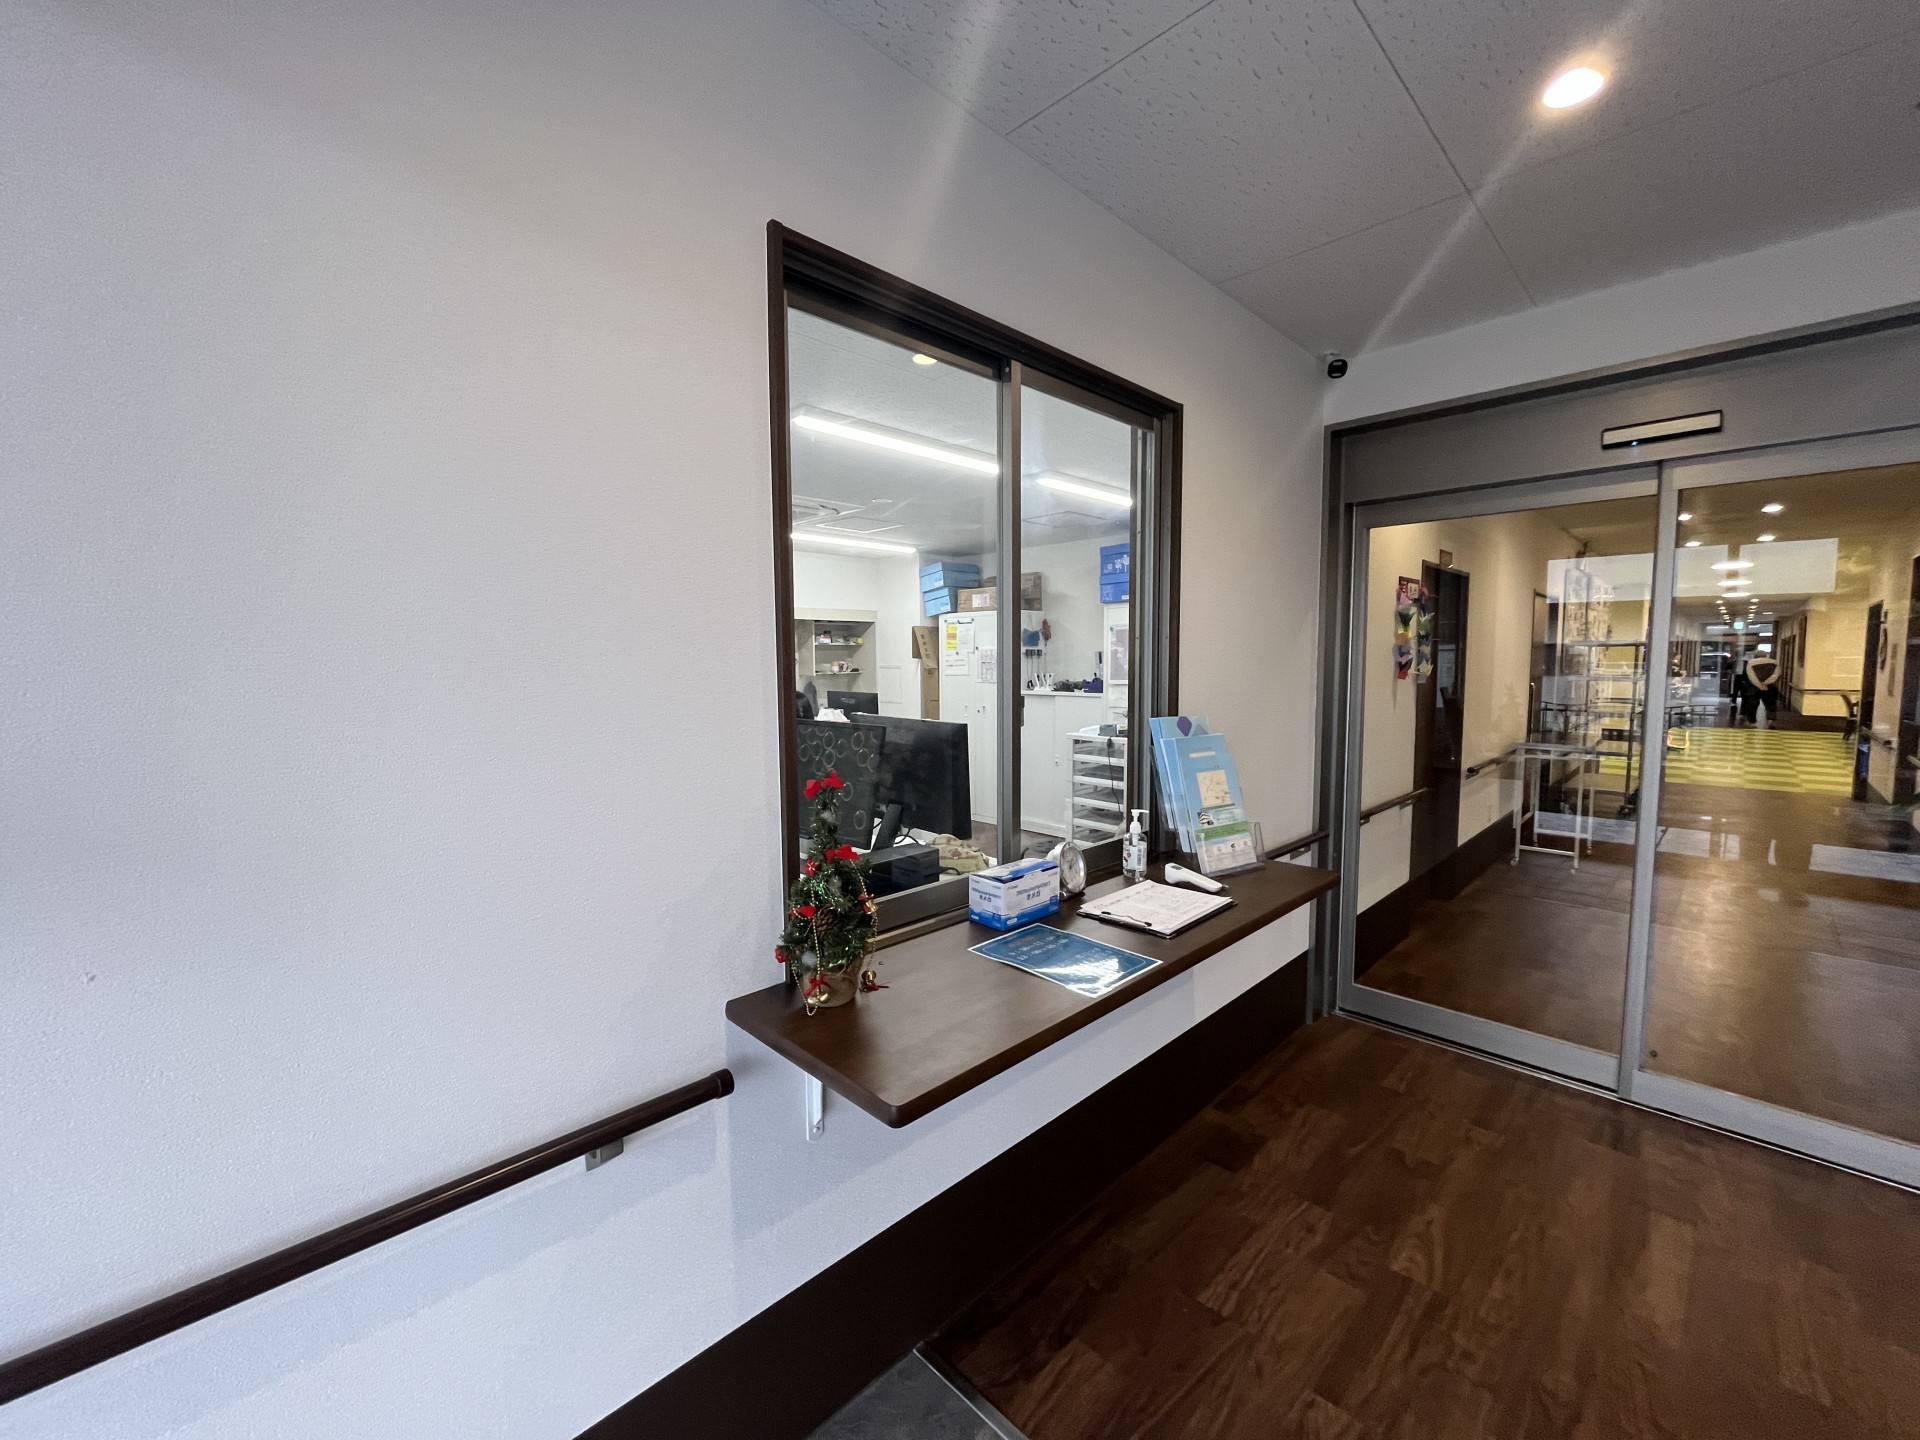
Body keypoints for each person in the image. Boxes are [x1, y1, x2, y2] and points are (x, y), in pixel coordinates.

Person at [1743, 652, 1781, 727]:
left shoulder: (1751, 663)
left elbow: (1751, 675)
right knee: (1771, 704)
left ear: (1755, 656)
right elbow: (1776, 675)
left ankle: (1752, 722)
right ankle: (1770, 720)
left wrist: (1759, 684)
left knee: (1753, 704)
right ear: (1766, 655)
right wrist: (1767, 682)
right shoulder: (1775, 663)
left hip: (1754, 688)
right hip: (1770, 686)